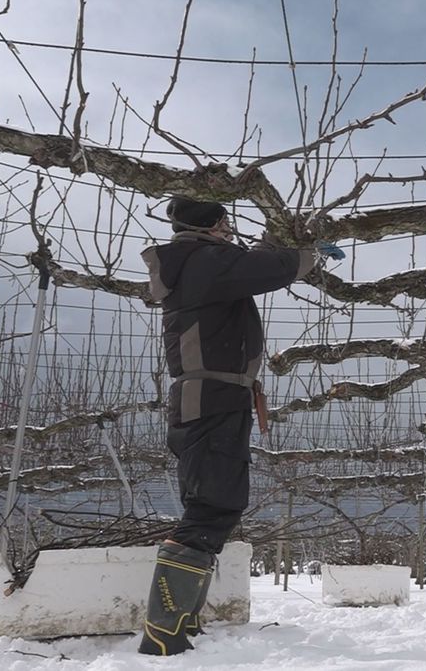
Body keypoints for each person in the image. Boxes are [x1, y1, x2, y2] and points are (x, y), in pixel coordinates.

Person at [136, 197, 341, 656]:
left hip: (209, 399)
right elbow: (265, 269)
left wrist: (276, 243)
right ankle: (162, 634)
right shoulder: (205, 261)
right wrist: (310, 255)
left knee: (212, 502)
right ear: (211, 228)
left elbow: (250, 263)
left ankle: (179, 623)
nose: (230, 231)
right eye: (225, 224)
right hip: (212, 400)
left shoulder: (198, 263)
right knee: (213, 505)